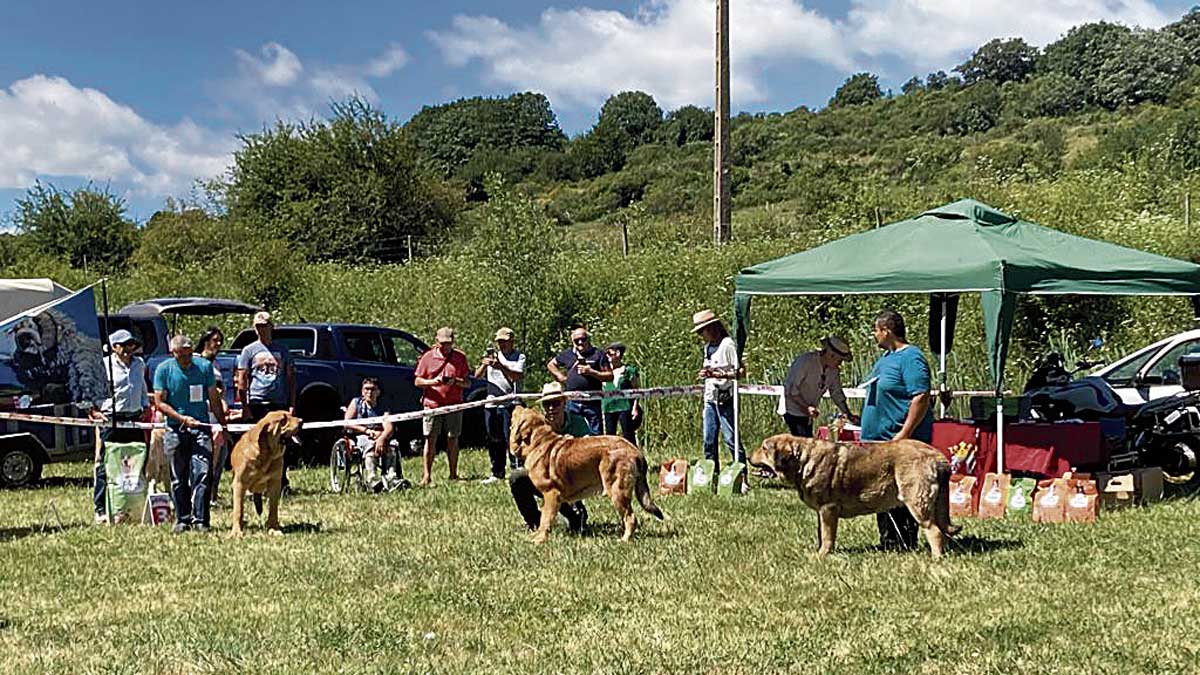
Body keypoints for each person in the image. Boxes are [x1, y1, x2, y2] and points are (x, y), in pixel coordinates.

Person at [860, 309, 934, 552]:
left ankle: (905, 541)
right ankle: (888, 540)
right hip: (878, 440)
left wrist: (904, 433)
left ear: (886, 330)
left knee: (904, 491)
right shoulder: (884, 359)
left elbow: (920, 396)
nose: (874, 335)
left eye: (876, 330)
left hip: (900, 441)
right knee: (882, 491)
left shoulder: (911, 357)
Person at [153, 335, 226, 533]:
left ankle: (201, 520)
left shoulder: (203, 367)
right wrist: (181, 419)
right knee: (179, 477)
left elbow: (213, 398)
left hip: (201, 428)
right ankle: (182, 518)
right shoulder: (163, 370)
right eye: (182, 355)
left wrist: (222, 424)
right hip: (176, 430)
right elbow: (159, 403)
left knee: (202, 473)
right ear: (173, 353)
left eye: (189, 354)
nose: (186, 359)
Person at [509, 382, 591, 533]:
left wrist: (574, 443)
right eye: (547, 404)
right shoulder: (535, 425)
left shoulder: (578, 422)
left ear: (564, 402)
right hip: (543, 476)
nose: (551, 408)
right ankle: (535, 522)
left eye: (556, 403)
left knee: (577, 525)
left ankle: (575, 514)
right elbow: (519, 450)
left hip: (571, 480)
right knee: (517, 477)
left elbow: (591, 448)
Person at [89, 329, 151, 524]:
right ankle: (101, 508)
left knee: (136, 461)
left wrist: (145, 405)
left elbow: (141, 386)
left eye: (130, 344)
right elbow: (90, 389)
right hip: (111, 418)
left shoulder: (139, 364)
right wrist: (92, 410)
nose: (128, 349)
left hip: (133, 418)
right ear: (114, 347)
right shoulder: (104, 365)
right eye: (123, 345)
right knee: (106, 463)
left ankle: (131, 504)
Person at [235, 311, 297, 492]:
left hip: (279, 403)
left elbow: (291, 378)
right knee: (258, 444)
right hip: (257, 402)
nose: (262, 330)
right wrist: (245, 406)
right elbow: (242, 378)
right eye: (258, 327)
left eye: (265, 326)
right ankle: (255, 482)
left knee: (281, 444)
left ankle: (280, 481)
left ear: (271, 327)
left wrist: (292, 404)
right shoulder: (248, 351)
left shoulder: (283, 350)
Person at [414, 327, 471, 486]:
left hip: (454, 405)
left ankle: (453, 474)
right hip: (432, 405)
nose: (446, 346)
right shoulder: (427, 357)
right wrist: (433, 382)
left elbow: (468, 383)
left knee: (453, 439)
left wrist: (456, 382)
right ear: (437, 341)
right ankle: (427, 476)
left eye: (449, 343)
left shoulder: (460, 357)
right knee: (430, 439)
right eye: (443, 343)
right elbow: (417, 381)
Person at [693, 309, 744, 475]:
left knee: (731, 438)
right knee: (709, 438)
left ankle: (741, 475)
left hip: (726, 397)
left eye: (703, 331)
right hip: (710, 398)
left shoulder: (728, 344)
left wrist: (720, 374)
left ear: (712, 327)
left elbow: (740, 372)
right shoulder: (707, 347)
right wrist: (706, 373)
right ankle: (711, 474)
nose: (701, 335)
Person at [781, 335, 860, 437]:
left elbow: (837, 393)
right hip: (791, 412)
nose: (840, 364)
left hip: (807, 415)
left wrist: (848, 414)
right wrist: (806, 407)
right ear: (831, 355)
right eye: (839, 360)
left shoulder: (833, 371)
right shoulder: (805, 362)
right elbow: (791, 390)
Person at [475, 327, 526, 485]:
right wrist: (484, 365)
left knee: (512, 438)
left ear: (511, 341)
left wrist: (501, 367)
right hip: (491, 403)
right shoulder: (492, 357)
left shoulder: (519, 357)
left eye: (504, 341)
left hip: (511, 403)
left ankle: (516, 470)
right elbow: (476, 376)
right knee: (493, 438)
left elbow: (517, 376)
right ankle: (497, 472)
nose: (502, 345)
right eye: (499, 342)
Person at [343, 377, 407, 492]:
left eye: (373, 389)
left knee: (392, 445)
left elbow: (389, 426)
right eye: (366, 389)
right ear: (362, 391)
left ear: (378, 392)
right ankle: (372, 478)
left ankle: (391, 477)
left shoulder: (383, 406)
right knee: (370, 446)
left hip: (379, 434)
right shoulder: (356, 403)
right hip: (360, 434)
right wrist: (366, 431)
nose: (369, 392)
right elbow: (347, 423)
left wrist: (382, 438)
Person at [547, 327, 611, 436]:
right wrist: (560, 377)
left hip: (592, 401)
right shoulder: (567, 354)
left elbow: (609, 376)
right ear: (572, 341)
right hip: (572, 401)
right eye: (577, 340)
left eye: (583, 339)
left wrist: (592, 372)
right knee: (572, 433)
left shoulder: (598, 354)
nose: (580, 342)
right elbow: (551, 364)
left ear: (588, 339)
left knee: (596, 436)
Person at [197, 326, 234, 506]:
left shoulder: (216, 364)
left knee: (219, 459)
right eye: (214, 340)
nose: (218, 344)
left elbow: (220, 391)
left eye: (220, 341)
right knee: (205, 459)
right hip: (203, 417)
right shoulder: (196, 362)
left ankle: (213, 494)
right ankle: (202, 495)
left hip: (217, 417)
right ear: (205, 341)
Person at [601, 342, 641, 444]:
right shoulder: (604, 372)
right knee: (610, 436)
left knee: (628, 434)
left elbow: (636, 389)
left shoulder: (628, 371)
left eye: (609, 353)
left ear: (617, 353)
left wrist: (635, 407)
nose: (607, 356)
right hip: (608, 407)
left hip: (624, 407)